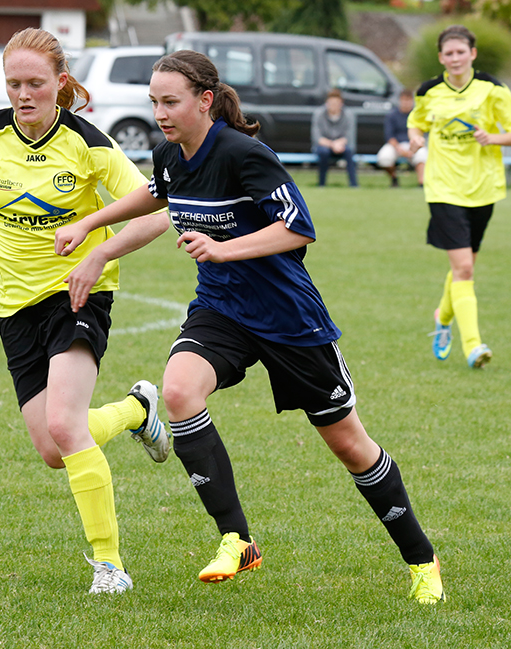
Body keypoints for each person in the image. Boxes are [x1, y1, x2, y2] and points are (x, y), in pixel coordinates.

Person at [54, 49, 445, 604]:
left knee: (351, 446)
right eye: (154, 102)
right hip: (222, 310)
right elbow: (155, 197)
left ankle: (422, 560)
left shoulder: (245, 154)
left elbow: (299, 228)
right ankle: (237, 540)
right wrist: (94, 232)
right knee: (179, 390)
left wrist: (223, 248)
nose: (160, 113)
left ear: (205, 100)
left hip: (289, 319)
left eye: (170, 102)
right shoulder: (169, 155)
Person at [0, 27, 171, 595]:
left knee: (65, 425)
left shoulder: (88, 143)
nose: (23, 94)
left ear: (60, 82)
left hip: (78, 294)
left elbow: (157, 211)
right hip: (12, 304)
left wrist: (99, 250)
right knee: (54, 451)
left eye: (35, 83)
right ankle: (137, 411)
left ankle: (110, 566)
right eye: (13, 83)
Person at [409, 25, 511, 370]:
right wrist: (415, 137)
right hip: (443, 188)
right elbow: (416, 122)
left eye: (460, 52)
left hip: (483, 188)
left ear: (472, 54)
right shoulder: (428, 91)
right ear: (441, 57)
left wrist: (493, 138)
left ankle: (442, 316)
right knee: (464, 267)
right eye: (449, 53)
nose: (455, 58)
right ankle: (473, 346)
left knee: (464, 267)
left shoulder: (493, 89)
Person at [377, 88, 426, 187]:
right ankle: (394, 178)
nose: (406, 103)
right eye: (404, 100)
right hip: (397, 145)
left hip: (413, 143)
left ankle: (421, 183)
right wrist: (399, 148)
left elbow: (422, 133)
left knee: (422, 155)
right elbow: (389, 136)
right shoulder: (392, 115)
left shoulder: (417, 115)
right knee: (384, 157)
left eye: (408, 100)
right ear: (400, 101)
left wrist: (413, 147)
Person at [311, 89, 358, 187]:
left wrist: (339, 144)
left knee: (349, 151)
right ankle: (321, 184)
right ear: (327, 103)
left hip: (341, 145)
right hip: (324, 145)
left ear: (341, 103)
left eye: (336, 103)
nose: (334, 105)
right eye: (331, 103)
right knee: (324, 152)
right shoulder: (319, 114)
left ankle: (354, 184)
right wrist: (332, 145)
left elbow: (349, 136)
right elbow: (317, 137)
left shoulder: (348, 115)